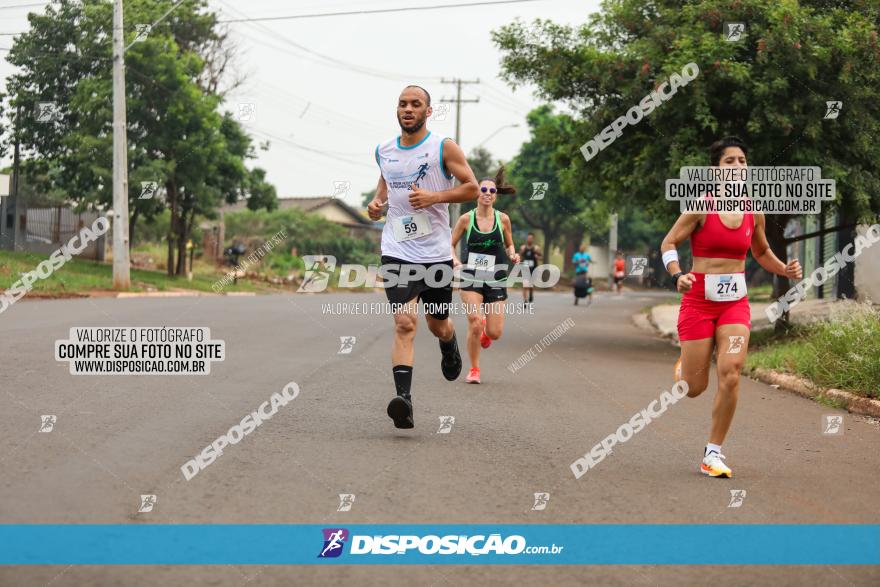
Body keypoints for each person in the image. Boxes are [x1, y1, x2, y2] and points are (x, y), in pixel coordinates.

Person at [660, 136, 802, 477]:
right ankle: (685, 368)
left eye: (742, 161)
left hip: (735, 305)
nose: (738, 167)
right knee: (694, 389)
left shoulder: (754, 210)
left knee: (732, 372)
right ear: (715, 170)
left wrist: (783, 268)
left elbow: (762, 252)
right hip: (698, 301)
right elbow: (669, 242)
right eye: (729, 162)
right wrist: (677, 274)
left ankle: (713, 453)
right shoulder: (700, 207)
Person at [367, 85, 480, 429]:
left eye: (416, 104)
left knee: (436, 323)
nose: (408, 109)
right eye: (402, 104)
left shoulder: (442, 147)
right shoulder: (383, 151)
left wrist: (434, 198)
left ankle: (449, 341)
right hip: (397, 250)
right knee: (404, 322)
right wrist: (375, 206)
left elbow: (472, 188)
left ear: (428, 111)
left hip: (434, 254)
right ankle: (405, 400)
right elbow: (383, 191)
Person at [450, 167, 519, 384]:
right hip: (470, 276)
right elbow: (449, 245)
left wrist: (513, 254)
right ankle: (474, 369)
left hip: (496, 277)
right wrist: (455, 261)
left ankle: (486, 334)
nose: (487, 193)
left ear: (496, 196)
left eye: (492, 190)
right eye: (483, 189)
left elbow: (509, 244)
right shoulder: (465, 220)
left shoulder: (504, 220)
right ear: (477, 193)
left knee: (495, 332)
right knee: (474, 321)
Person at [519, 233, 542, 306]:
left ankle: (531, 294)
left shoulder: (536, 248)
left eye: (531, 238)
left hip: (533, 269)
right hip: (525, 268)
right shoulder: (523, 248)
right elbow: (519, 257)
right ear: (526, 239)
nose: (529, 239)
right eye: (528, 238)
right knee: (525, 285)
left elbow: (541, 257)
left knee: (531, 284)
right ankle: (525, 300)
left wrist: (537, 257)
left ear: (533, 239)